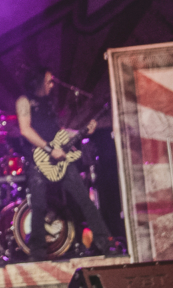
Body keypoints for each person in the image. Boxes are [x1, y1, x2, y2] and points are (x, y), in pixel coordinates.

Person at [15, 68, 115, 258]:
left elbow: (58, 131)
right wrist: (49, 150)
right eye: (48, 81)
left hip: (59, 158)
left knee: (84, 199)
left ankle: (105, 242)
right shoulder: (24, 101)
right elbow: (25, 130)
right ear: (38, 81)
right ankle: (37, 251)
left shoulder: (49, 103)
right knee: (38, 205)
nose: (52, 85)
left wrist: (82, 132)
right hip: (38, 159)